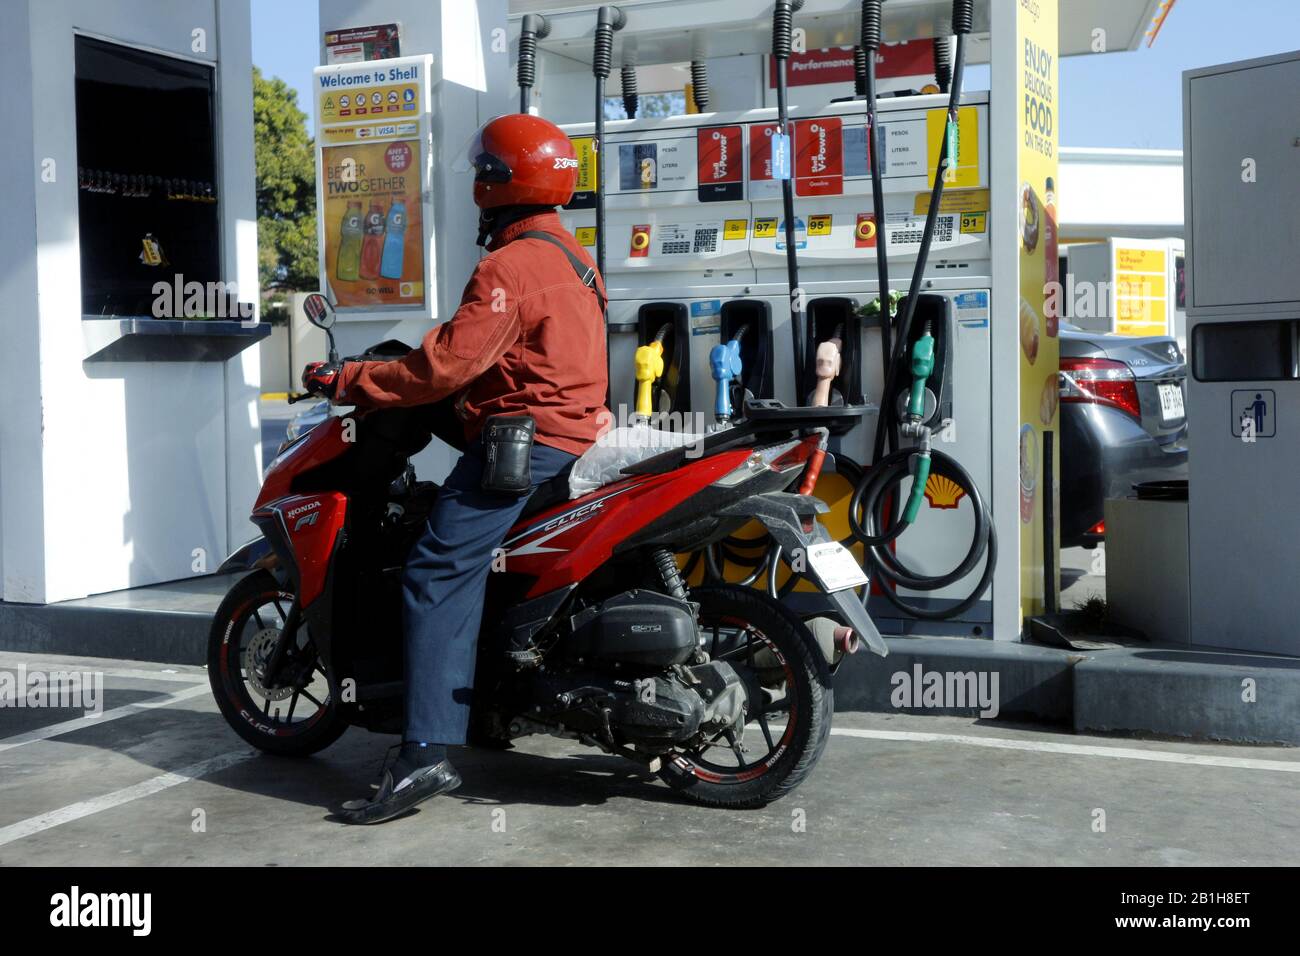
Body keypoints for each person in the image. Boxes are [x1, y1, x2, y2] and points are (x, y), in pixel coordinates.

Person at [301, 114, 608, 824]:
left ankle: (424, 754)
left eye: (483, 170)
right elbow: (499, 364)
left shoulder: (508, 266)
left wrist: (352, 379)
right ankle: (490, 711)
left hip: (523, 446)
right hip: (567, 436)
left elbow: (444, 365)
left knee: (436, 569)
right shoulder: (573, 259)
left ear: (499, 182)